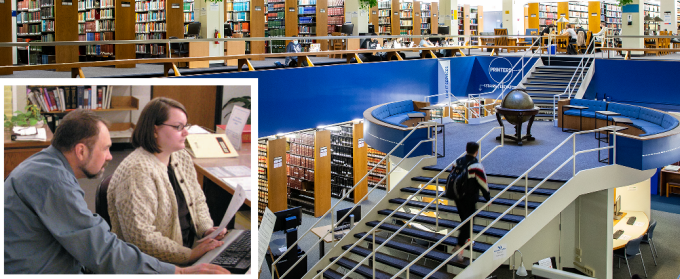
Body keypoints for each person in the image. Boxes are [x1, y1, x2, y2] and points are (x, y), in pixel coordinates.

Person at [4, 109, 229, 274]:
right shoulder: (52, 181)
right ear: (81, 151)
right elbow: (101, 250)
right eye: (106, 148)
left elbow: (89, 235)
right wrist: (177, 272)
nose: (111, 157)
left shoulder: (46, 164)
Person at [107, 97, 226, 265]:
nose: (186, 132)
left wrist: (206, 230)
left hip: (191, 252)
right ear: (155, 130)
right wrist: (189, 255)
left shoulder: (180, 156)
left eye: (186, 126)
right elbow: (141, 237)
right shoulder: (136, 172)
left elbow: (198, 200)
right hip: (156, 264)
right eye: (178, 127)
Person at [448, 142, 490, 262]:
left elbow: (452, 176)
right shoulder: (476, 166)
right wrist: (488, 198)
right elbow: (482, 182)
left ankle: (467, 239)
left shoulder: (457, 162)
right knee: (468, 222)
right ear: (476, 151)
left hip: (457, 196)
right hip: (469, 197)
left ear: (466, 149)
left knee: (464, 220)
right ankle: (460, 246)